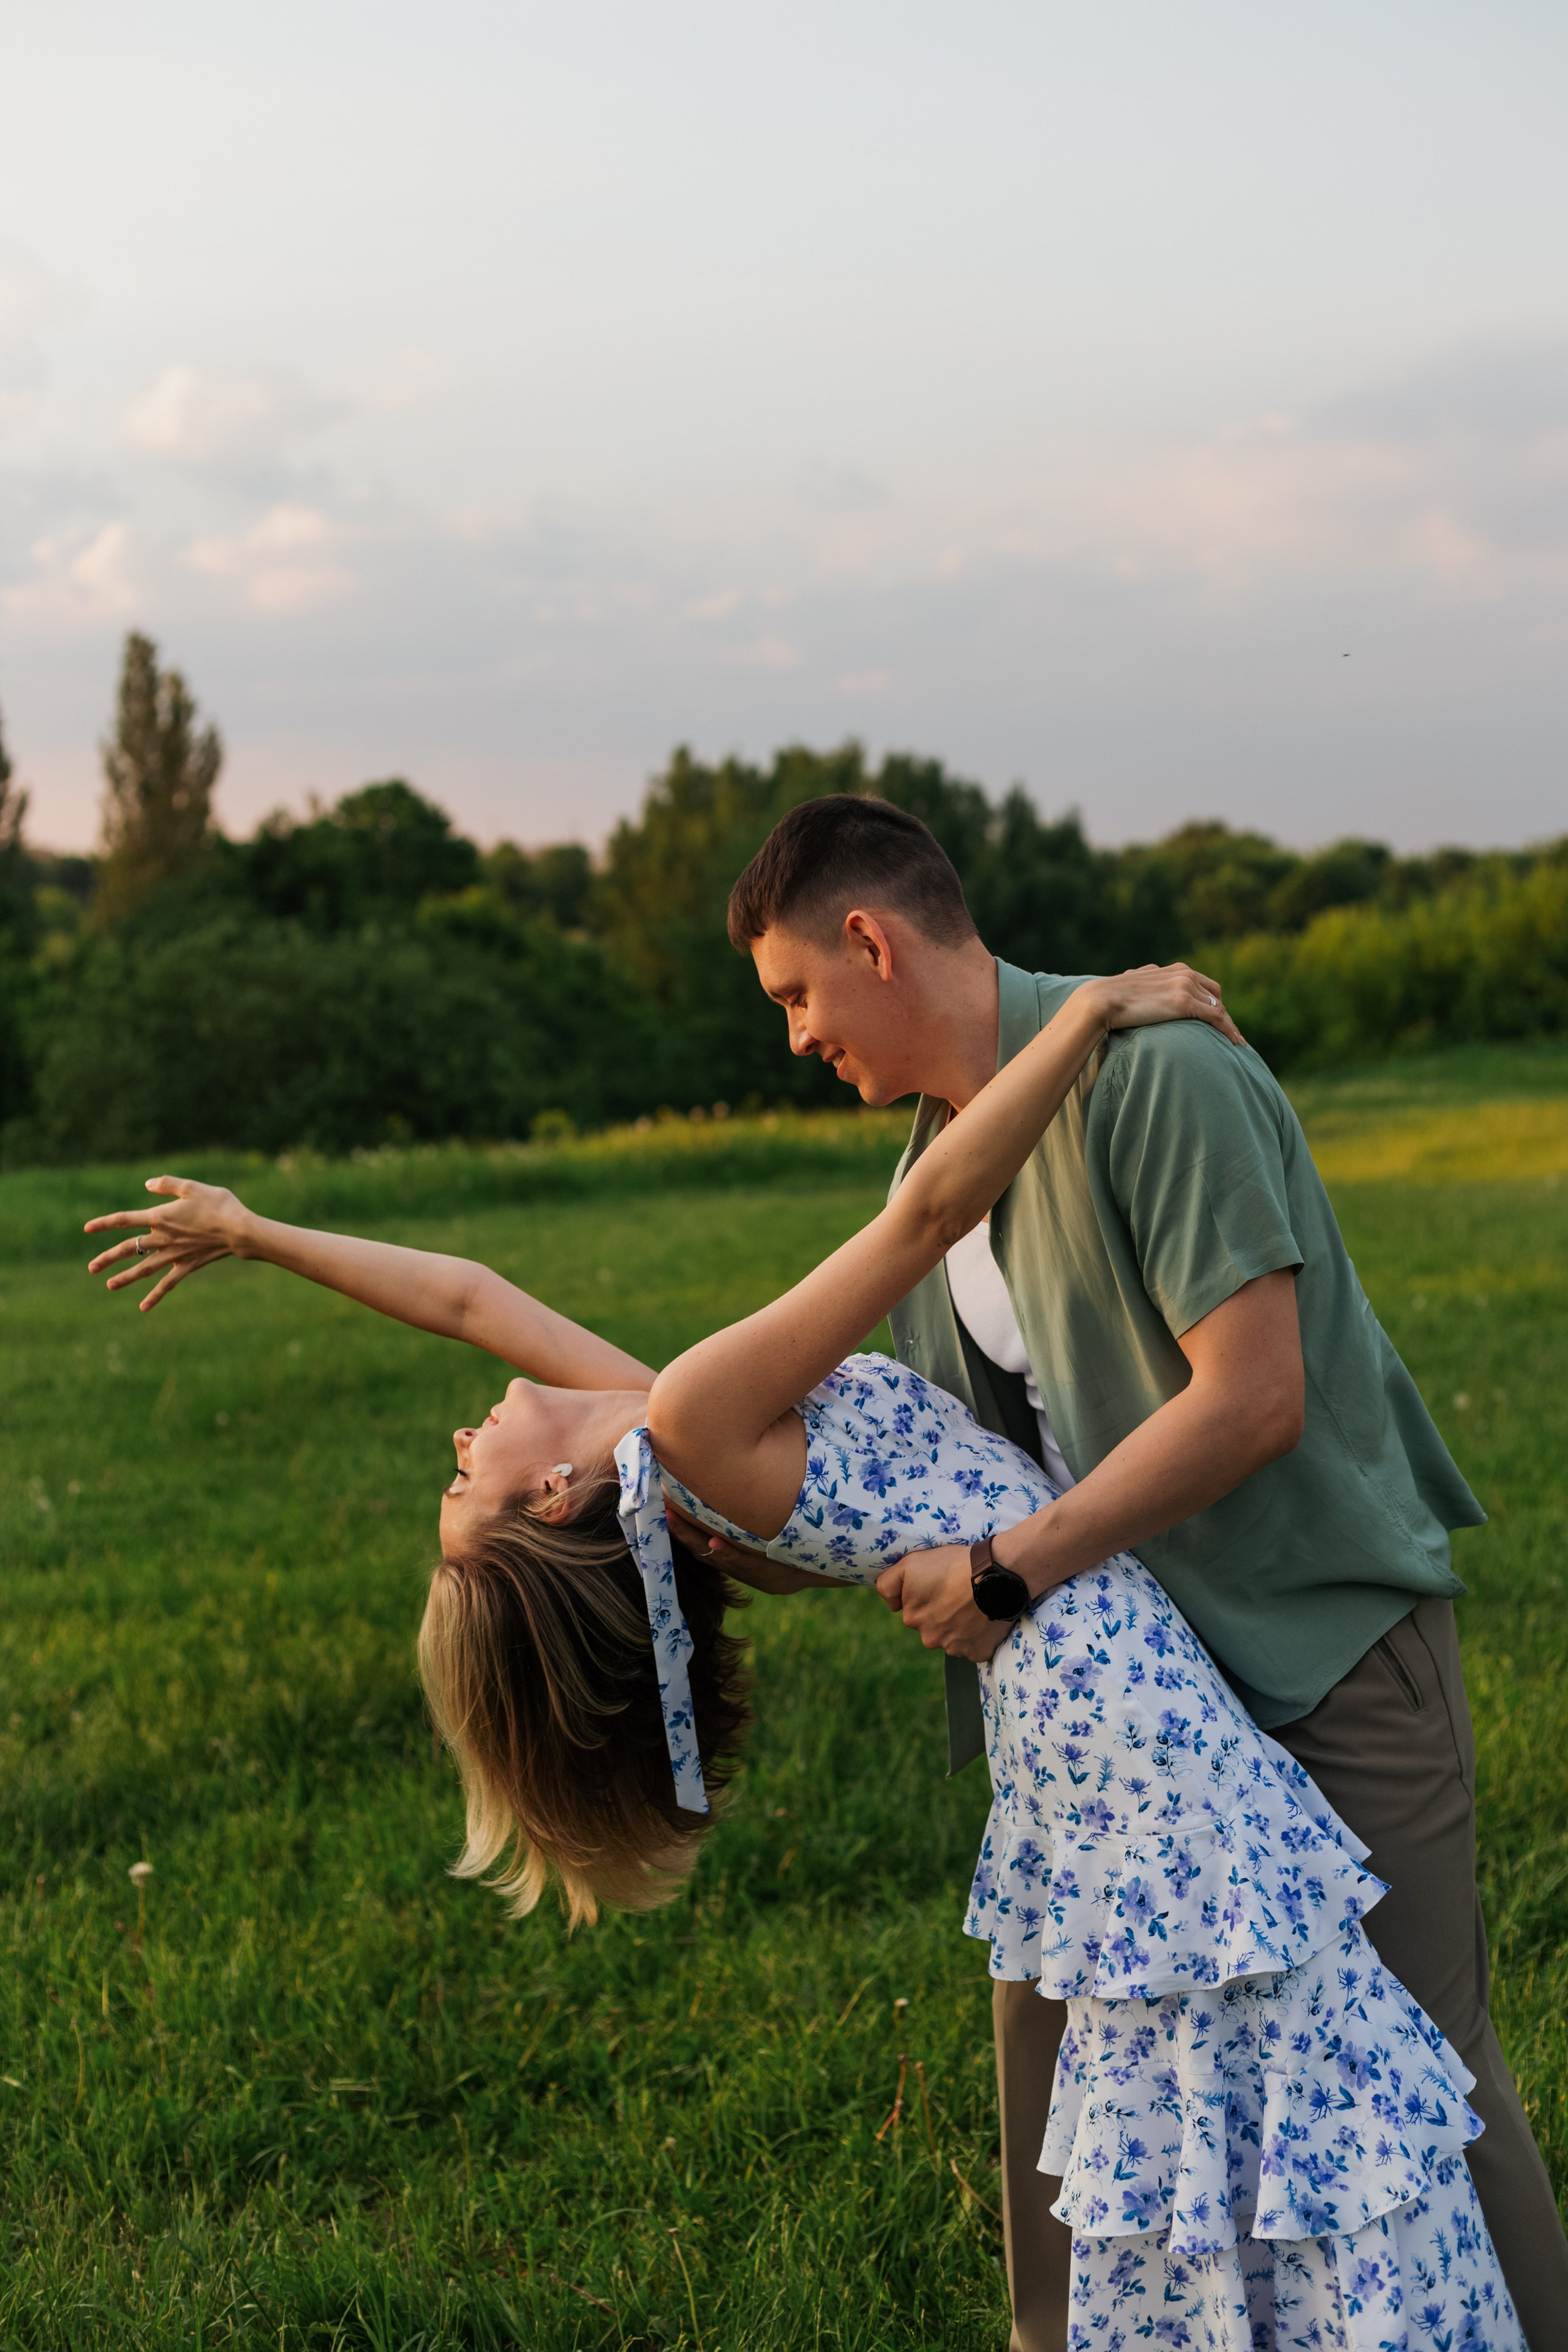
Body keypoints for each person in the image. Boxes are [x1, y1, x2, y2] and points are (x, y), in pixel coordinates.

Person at [87, 967, 1526, 2343]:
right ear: (551, 1498)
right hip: (1098, 1673)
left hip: (1083, 1652)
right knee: (1283, 2057)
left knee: (1242, 2055)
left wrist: (258, 1234)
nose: (460, 1438)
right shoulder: (694, 1420)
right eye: (465, 1480)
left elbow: (468, 1295)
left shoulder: (668, 1434)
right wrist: (1089, 1011)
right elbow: (926, 1217)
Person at [703, 792, 1567, 2352]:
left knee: (1418, 2080)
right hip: (1117, 1729)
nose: (795, 1038)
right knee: (1070, 2108)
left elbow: (1251, 1399)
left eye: (794, 996)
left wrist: (1006, 1575)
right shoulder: (929, 1184)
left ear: (868, 940)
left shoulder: (1158, 1073)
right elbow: (935, 1486)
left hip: (1312, 1655)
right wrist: (687, 1518)